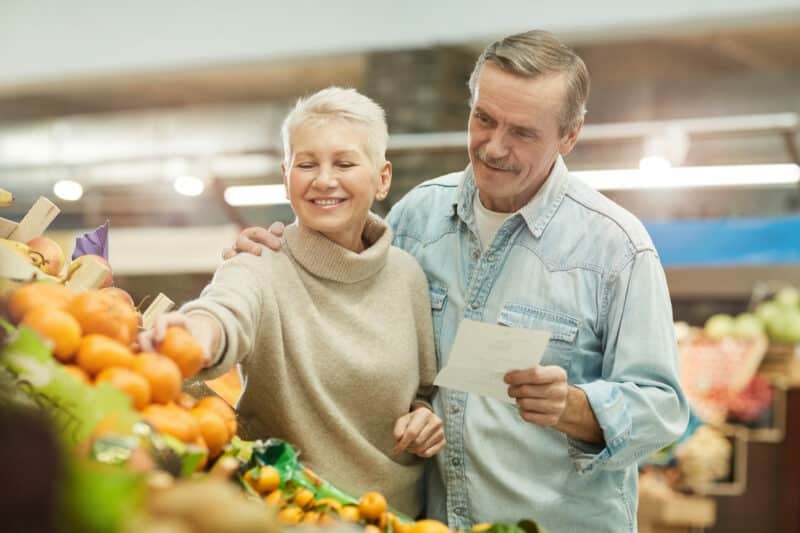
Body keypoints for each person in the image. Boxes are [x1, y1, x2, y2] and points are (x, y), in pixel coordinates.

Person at [226, 30, 689, 532]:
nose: (494, 147)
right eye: (484, 119)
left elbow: (663, 408)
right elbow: (347, 294)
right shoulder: (416, 219)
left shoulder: (615, 249)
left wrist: (575, 407)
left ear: (569, 135)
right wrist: (272, 252)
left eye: (523, 133)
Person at [140, 87, 445, 517]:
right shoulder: (260, 265)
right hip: (291, 518)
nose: (323, 179)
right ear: (286, 176)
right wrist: (193, 331)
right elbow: (224, 312)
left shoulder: (406, 275)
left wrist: (424, 417)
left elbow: (422, 392)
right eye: (306, 164)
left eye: (344, 163)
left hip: (397, 521)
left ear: (383, 177)